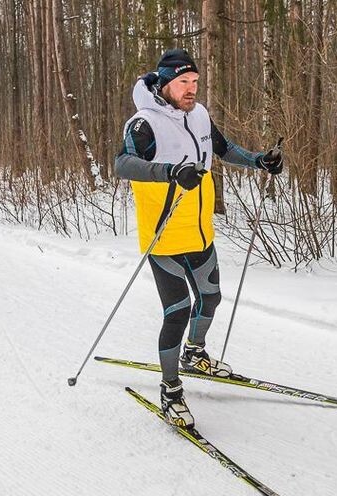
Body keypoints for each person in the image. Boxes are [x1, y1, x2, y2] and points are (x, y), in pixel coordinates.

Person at [115, 49, 284, 428]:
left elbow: (223, 149)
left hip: (200, 231)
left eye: (194, 81)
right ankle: (170, 390)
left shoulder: (199, 113)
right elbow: (122, 164)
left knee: (211, 297)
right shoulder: (143, 123)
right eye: (183, 82)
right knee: (177, 312)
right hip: (164, 236)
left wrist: (259, 160)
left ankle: (194, 353)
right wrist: (170, 171)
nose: (191, 89)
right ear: (165, 83)